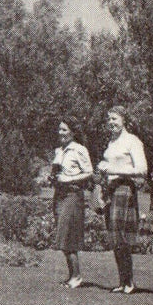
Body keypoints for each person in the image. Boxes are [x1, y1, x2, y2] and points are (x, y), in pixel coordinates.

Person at [96, 105, 148, 294]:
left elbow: (142, 170)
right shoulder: (111, 143)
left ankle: (130, 282)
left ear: (124, 120)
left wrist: (114, 170)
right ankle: (122, 281)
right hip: (111, 189)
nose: (111, 123)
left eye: (114, 119)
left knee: (122, 238)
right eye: (109, 119)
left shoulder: (132, 141)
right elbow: (108, 168)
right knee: (114, 237)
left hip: (124, 189)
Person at [50, 117, 93, 288]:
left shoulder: (79, 150)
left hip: (73, 195)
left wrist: (69, 179)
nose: (61, 133)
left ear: (73, 132)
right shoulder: (59, 151)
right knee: (62, 236)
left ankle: (77, 276)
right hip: (59, 195)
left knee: (68, 236)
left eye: (65, 130)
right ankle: (72, 276)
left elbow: (89, 172)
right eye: (60, 129)